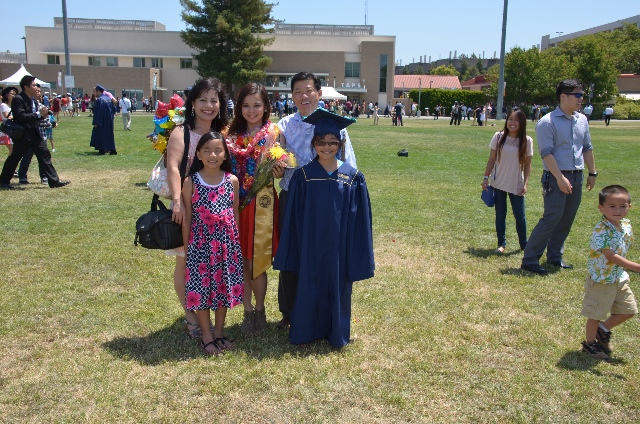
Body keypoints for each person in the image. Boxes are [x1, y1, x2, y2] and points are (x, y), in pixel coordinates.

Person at [274, 108, 374, 348]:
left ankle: (335, 330)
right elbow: (295, 218)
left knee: (338, 285)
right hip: (311, 243)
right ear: (314, 144)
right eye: (321, 142)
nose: (327, 147)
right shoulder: (303, 177)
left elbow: (359, 218)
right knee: (309, 283)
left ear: (340, 144)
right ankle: (307, 329)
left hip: (339, 246)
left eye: (332, 142)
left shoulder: (352, 177)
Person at [275, 71, 358, 329]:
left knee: (325, 253)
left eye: (309, 90)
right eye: (298, 92)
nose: (304, 96)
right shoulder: (284, 125)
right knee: (292, 252)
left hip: (326, 199)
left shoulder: (334, 125)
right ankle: (289, 311)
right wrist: (275, 166)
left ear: (319, 93)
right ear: (292, 96)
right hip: (293, 198)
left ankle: (325, 309)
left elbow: (348, 164)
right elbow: (276, 158)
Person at [166, 77, 229, 340]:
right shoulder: (181, 132)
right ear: (192, 103)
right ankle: (191, 317)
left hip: (216, 210)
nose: (208, 105)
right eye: (202, 100)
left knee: (210, 263)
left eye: (214, 100)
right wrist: (178, 202)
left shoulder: (223, 132)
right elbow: (173, 167)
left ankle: (207, 314)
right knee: (185, 261)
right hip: (188, 207)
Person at [520, 79, 597, 275]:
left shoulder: (582, 120)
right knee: (552, 217)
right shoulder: (547, 122)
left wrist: (592, 172)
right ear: (563, 96)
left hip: (577, 175)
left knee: (566, 219)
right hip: (555, 177)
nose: (581, 99)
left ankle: (555, 257)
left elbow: (587, 147)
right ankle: (530, 259)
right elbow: (546, 153)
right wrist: (560, 178)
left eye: (582, 95)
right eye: (577, 95)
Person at [225, 83, 281, 334]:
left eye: (257, 105)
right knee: (243, 261)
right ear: (239, 107)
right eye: (246, 105)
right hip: (235, 204)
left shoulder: (273, 133)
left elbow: (279, 167)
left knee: (258, 259)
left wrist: (279, 169)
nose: (251, 110)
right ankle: (247, 310)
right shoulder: (229, 134)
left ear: (266, 106)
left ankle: (260, 309)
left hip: (262, 205)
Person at [182, 131, 243, 355]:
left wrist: (235, 244)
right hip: (200, 246)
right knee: (202, 289)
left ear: (225, 154)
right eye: (207, 150)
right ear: (198, 154)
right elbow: (187, 218)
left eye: (218, 150)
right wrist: (187, 249)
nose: (212, 155)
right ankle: (206, 335)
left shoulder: (232, 180)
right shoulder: (191, 182)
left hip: (226, 246)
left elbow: (234, 214)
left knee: (222, 289)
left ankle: (219, 332)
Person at [580, 185, 638, 360]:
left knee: (629, 310)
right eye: (612, 206)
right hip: (602, 279)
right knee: (595, 314)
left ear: (629, 207)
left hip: (619, 277)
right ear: (601, 208)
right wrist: (636, 267)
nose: (617, 210)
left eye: (622, 206)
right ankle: (590, 344)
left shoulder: (625, 225)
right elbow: (610, 256)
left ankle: (603, 330)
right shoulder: (601, 229)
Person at [0, 75, 70, 189]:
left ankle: (54, 181)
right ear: (26, 87)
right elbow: (21, 116)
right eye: (33, 85)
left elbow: (35, 116)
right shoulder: (18, 99)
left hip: (35, 133)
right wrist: (38, 114)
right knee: (15, 157)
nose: (36, 87)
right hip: (23, 135)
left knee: (45, 154)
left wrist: (43, 115)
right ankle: (3, 182)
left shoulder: (33, 100)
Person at [481, 109, 533, 253]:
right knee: (500, 214)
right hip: (498, 183)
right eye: (510, 119)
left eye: (516, 120)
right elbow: (492, 158)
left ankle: (524, 245)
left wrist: (525, 184)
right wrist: (485, 177)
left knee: (520, 216)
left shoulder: (527, 140)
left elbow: (528, 165)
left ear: (522, 123)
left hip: (516, 184)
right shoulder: (498, 137)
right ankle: (501, 244)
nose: (512, 123)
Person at [90, 85, 117, 155]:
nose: (94, 93)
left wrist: (96, 122)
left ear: (98, 91)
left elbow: (98, 112)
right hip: (109, 120)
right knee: (109, 135)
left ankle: (102, 150)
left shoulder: (100, 100)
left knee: (100, 135)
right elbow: (114, 109)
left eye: (95, 92)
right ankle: (112, 150)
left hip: (102, 121)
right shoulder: (108, 99)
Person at [0, 86, 18, 155]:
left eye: (15, 94)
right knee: (13, 151)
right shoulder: (3, 105)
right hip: (8, 130)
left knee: (14, 151)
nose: (14, 96)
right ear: (7, 94)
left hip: (14, 129)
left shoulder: (13, 105)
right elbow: (7, 117)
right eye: (12, 94)